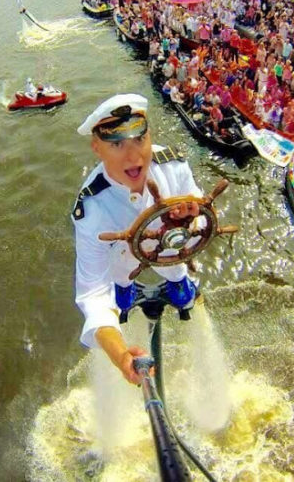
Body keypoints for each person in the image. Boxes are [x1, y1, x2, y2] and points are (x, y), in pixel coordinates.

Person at [72, 94, 202, 385]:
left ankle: (178, 280)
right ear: (97, 148)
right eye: (117, 144)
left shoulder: (173, 166)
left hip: (172, 251)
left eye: (139, 140)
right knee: (119, 285)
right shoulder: (91, 209)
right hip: (123, 263)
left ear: (150, 136)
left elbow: (202, 207)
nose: (134, 157)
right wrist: (120, 356)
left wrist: (193, 218)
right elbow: (92, 293)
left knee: (176, 266)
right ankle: (125, 292)